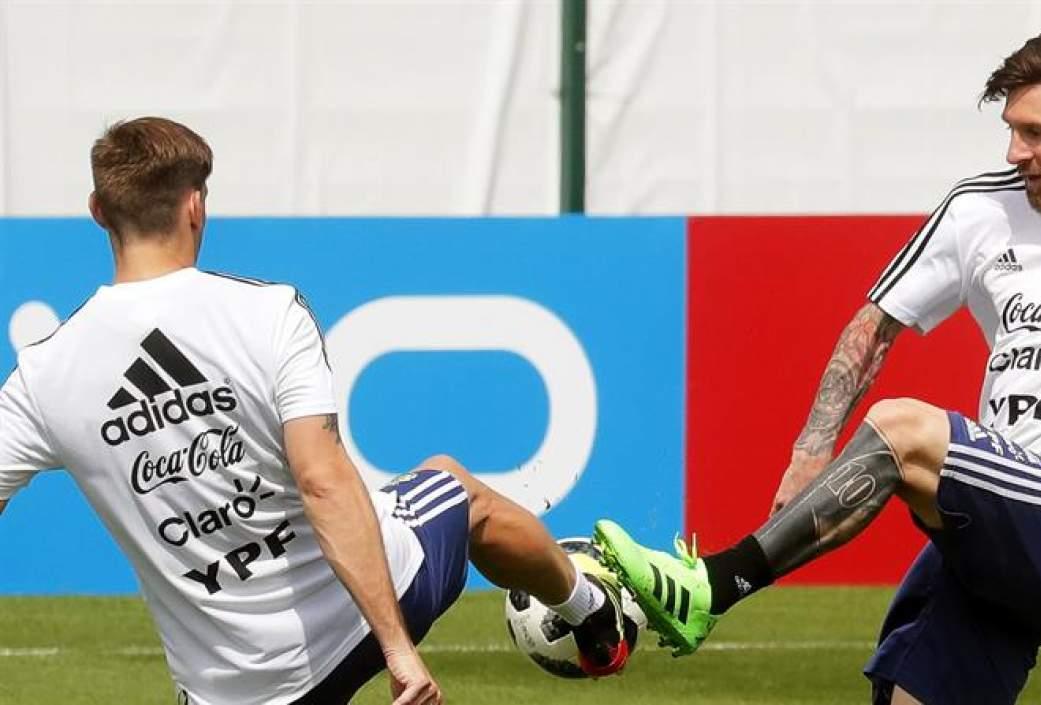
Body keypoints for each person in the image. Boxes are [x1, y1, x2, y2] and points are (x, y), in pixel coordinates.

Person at [594, 28, 1041, 705]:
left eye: (1035, 132)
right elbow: (874, 324)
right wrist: (810, 448)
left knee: (901, 428)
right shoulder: (979, 210)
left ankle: (712, 583)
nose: (1015, 152)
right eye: (1009, 131)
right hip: (995, 525)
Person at [0, 117, 631, 705]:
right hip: (358, 624)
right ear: (196, 206)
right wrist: (397, 650)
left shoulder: (42, 374)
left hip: (232, 691)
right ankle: (590, 612)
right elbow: (323, 482)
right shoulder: (267, 313)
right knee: (458, 491)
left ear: (97, 212)